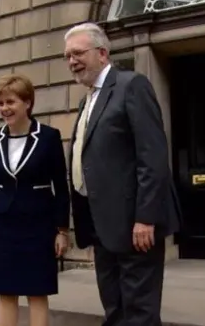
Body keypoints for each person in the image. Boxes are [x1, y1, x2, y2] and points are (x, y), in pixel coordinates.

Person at [65, 22, 183, 326]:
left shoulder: (132, 85)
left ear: (102, 53)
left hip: (135, 224)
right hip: (102, 224)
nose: (71, 61)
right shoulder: (87, 99)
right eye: (67, 56)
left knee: (139, 312)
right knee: (114, 308)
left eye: (78, 53)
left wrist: (146, 217)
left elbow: (152, 157)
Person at [0, 73, 70, 326]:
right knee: (6, 292)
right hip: (3, 226)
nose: (5, 109)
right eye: (1, 103)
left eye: (11, 102)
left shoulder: (49, 137)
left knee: (37, 292)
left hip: (38, 225)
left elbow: (60, 188)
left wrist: (62, 230)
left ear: (28, 103)